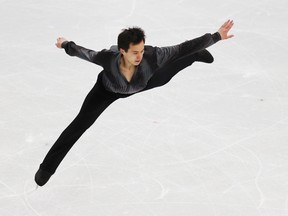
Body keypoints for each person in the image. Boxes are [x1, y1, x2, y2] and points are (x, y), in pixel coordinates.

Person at [35, 20, 234, 186]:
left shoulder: (152, 56)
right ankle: (47, 168)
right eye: (135, 52)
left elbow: (182, 48)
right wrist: (65, 44)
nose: (139, 56)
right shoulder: (108, 58)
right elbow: (83, 52)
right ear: (122, 51)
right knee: (80, 124)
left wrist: (216, 36)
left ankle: (195, 56)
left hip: (141, 83)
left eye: (141, 50)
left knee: (166, 74)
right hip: (106, 91)